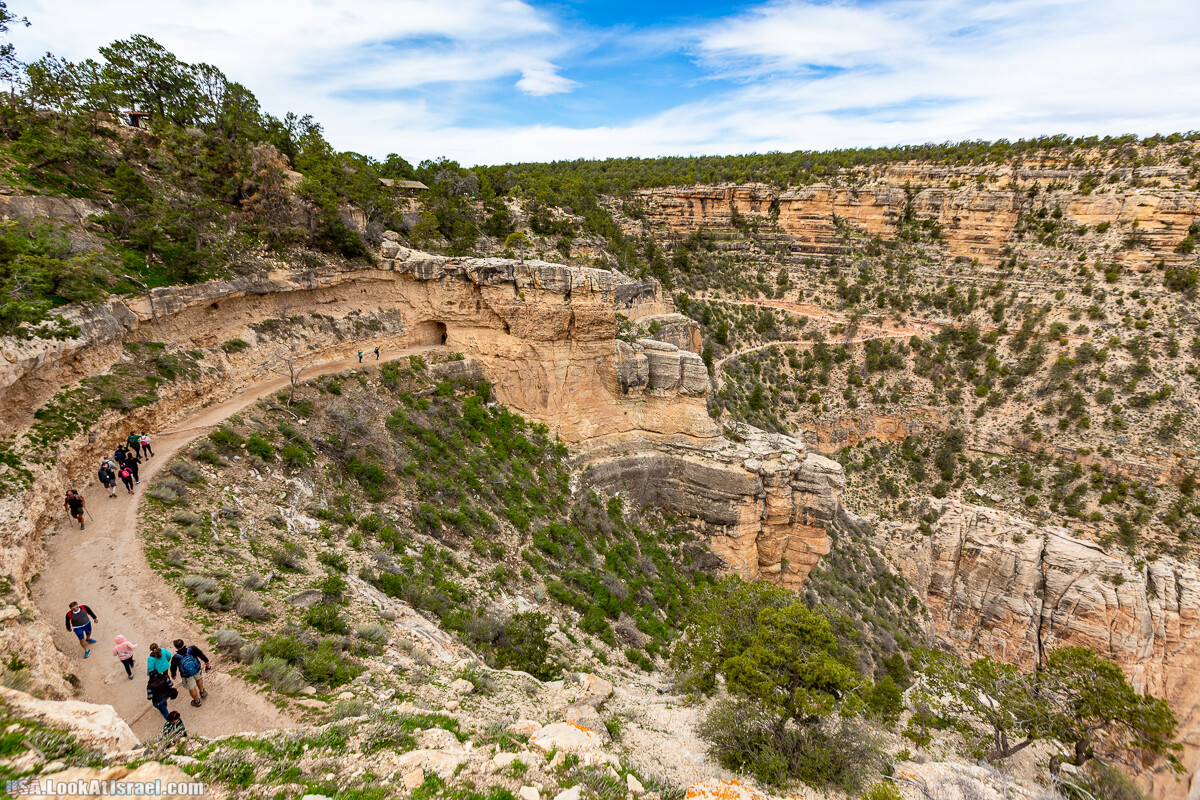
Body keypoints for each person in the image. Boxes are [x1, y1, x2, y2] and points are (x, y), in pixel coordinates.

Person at [170, 639, 211, 707]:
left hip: (187, 675)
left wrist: (173, 675)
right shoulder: (192, 649)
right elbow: (201, 654)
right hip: (196, 669)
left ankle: (197, 701)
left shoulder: (176, 657)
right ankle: (202, 692)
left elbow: (173, 667)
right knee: (199, 679)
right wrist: (206, 661)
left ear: (176, 647)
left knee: (191, 687)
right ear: (183, 644)